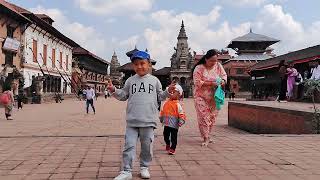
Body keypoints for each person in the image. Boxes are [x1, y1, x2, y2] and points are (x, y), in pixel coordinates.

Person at [107, 50, 175, 180]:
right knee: (129, 146)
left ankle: (144, 167)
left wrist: (168, 91)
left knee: (147, 146)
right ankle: (127, 171)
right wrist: (113, 90)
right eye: (136, 64)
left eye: (142, 63)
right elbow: (123, 96)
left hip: (148, 121)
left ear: (149, 64)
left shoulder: (155, 81)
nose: (139, 66)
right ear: (133, 66)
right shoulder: (130, 81)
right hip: (132, 121)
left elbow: (160, 96)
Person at [192, 49, 227, 147]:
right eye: (211, 60)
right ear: (206, 59)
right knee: (203, 117)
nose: (213, 63)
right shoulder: (199, 68)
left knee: (212, 117)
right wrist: (212, 83)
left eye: (215, 61)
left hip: (214, 97)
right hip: (200, 96)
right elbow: (197, 83)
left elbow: (224, 76)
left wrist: (223, 81)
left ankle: (208, 135)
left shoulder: (218, 66)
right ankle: (206, 137)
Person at [160, 84, 186, 155]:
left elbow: (182, 113)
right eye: (170, 92)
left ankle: (173, 148)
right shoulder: (166, 103)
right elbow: (163, 111)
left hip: (174, 124)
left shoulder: (178, 105)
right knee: (165, 135)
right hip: (166, 123)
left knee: (174, 137)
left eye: (174, 92)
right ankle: (167, 143)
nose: (171, 93)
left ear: (178, 95)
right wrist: (161, 118)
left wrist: (181, 120)